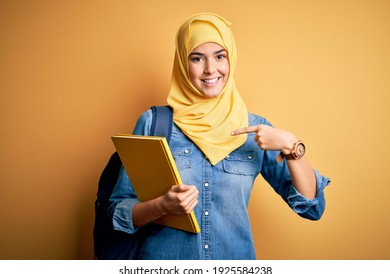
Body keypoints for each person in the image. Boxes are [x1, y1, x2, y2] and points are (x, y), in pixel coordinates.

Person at [108, 12, 330, 260]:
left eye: (220, 56)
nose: (210, 69)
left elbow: (312, 208)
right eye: (197, 58)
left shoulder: (256, 130)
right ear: (182, 62)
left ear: (230, 59)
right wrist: (162, 207)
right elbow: (118, 212)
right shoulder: (153, 123)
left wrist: (292, 147)